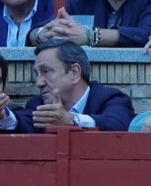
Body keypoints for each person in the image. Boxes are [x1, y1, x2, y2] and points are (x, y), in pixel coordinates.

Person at [0, 39, 134, 133]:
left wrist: (72, 120)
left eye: (46, 71)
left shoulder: (111, 98)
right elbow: (24, 122)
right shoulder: (38, 103)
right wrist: (4, 115)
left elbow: (117, 124)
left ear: (74, 73)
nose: (39, 83)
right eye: (37, 73)